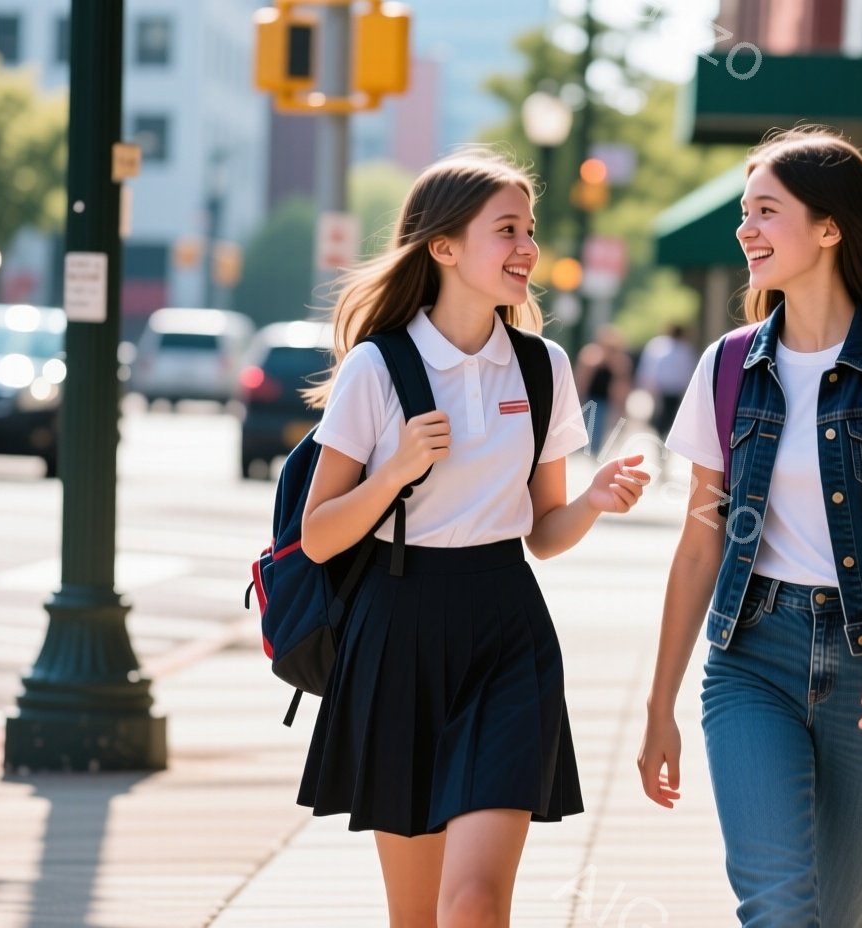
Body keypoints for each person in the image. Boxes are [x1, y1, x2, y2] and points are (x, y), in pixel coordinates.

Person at [636, 128, 862, 926]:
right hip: (751, 659)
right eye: (743, 214)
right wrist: (659, 703)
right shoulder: (728, 367)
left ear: (830, 227)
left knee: (841, 913)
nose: (745, 230)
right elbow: (703, 542)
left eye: (766, 212)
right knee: (776, 907)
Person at [296, 149, 650, 928]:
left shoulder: (542, 366)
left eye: (529, 229)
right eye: (506, 231)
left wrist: (592, 499)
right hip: (397, 633)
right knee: (416, 916)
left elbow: (544, 536)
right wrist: (391, 474)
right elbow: (317, 538)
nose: (527, 247)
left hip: (507, 634)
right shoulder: (376, 369)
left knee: (477, 903)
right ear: (444, 247)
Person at [573, 323, 632, 457]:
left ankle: (594, 452)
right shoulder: (591, 354)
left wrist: (622, 406)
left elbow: (623, 383)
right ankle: (589, 451)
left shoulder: (619, 361)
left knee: (599, 427)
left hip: (606, 400)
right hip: (590, 396)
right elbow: (581, 376)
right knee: (587, 424)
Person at [634, 323, 699, 439]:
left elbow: (648, 367)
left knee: (661, 416)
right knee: (668, 416)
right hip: (672, 389)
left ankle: (660, 437)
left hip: (660, 388)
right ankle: (662, 438)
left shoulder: (658, 345)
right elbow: (688, 371)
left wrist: (645, 384)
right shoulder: (684, 349)